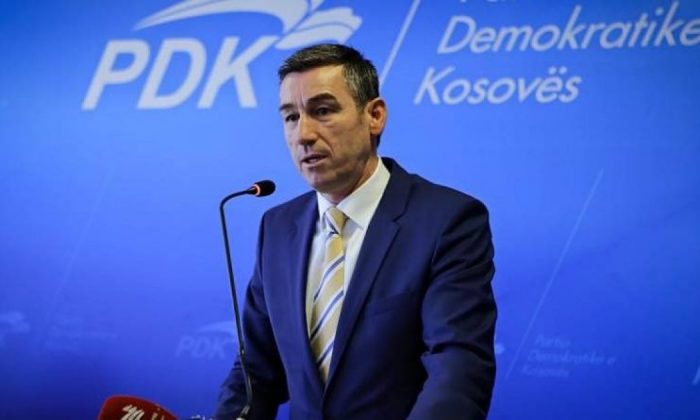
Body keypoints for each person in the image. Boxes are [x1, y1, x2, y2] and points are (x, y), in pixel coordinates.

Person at [215, 43, 496, 420]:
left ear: (374, 116)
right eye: (291, 117)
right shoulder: (277, 228)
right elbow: (255, 371)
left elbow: (458, 366)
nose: (303, 134)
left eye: (323, 111)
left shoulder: (447, 221)